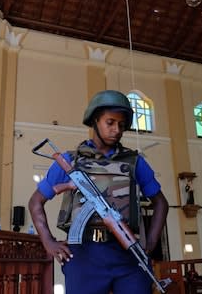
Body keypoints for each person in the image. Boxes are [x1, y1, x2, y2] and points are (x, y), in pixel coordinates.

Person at [28, 90, 169, 294]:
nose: (116, 130)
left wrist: (151, 243)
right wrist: (48, 242)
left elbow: (161, 203)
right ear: (95, 120)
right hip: (84, 255)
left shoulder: (135, 162)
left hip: (127, 252)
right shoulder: (70, 161)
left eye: (121, 125)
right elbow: (35, 202)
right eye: (110, 122)